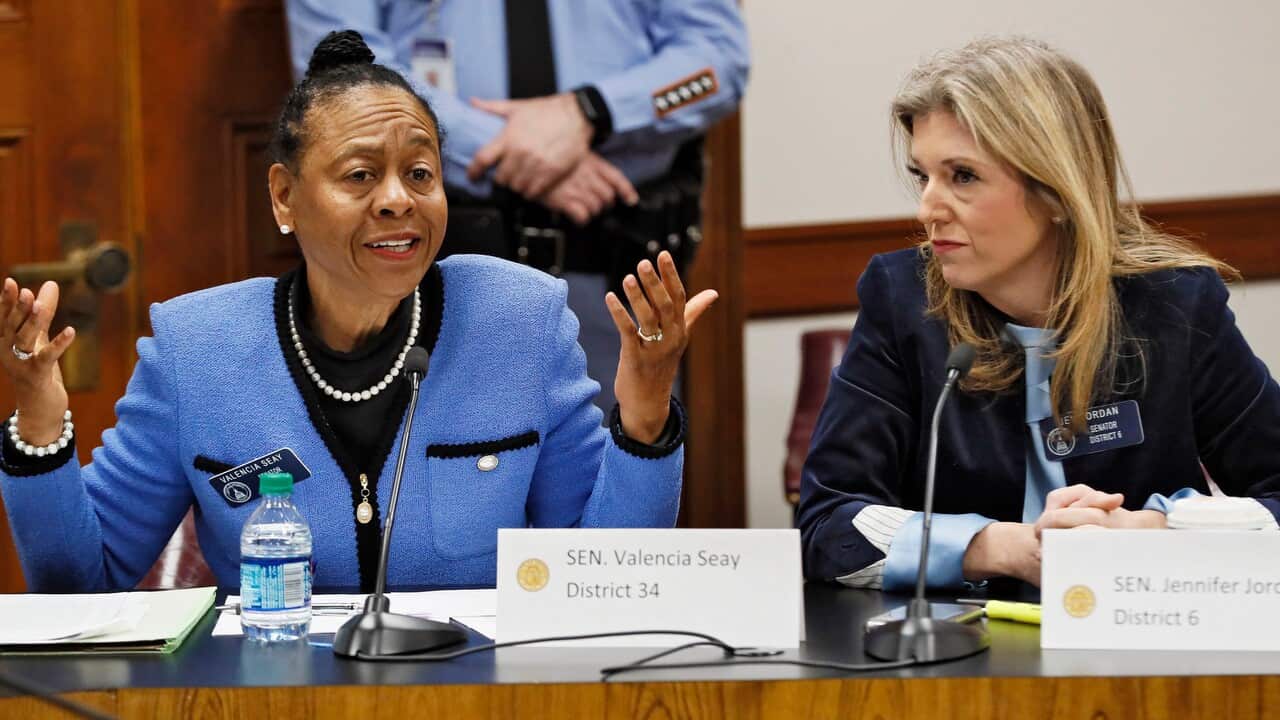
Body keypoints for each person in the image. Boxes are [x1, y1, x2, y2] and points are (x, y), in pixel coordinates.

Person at [0, 31, 716, 593]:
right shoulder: (198, 349)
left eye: (420, 172)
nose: (398, 199)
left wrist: (645, 413)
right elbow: (79, 584)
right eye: (361, 175)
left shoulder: (519, 320)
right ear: (284, 197)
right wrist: (37, 416)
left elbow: (608, 576)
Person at [797, 37, 1280, 593]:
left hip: (1138, 645)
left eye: (963, 176)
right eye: (922, 176)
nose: (928, 207)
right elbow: (826, 527)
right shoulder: (903, 299)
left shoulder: (1174, 304)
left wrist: (1155, 531)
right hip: (958, 654)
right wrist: (1004, 548)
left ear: (1054, 190)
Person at [285, 0, 750, 415]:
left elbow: (718, 61)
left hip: (609, 270)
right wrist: (502, 148)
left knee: (615, 476)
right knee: (438, 487)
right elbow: (337, 64)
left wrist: (591, 112)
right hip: (424, 263)